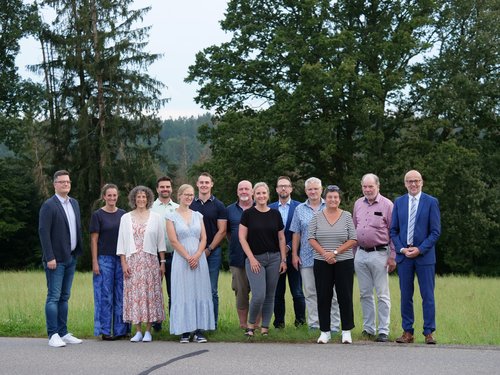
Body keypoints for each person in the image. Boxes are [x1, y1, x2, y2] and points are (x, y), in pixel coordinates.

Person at [390, 170, 441, 345]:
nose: (413, 184)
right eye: (410, 181)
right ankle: (407, 332)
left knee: (427, 295)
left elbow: (435, 232)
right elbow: (393, 230)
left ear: (422, 182)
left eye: (416, 181)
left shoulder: (431, 202)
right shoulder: (399, 202)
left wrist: (420, 249)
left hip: (424, 256)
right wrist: (401, 249)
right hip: (404, 257)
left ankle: (429, 332)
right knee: (406, 295)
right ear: (405, 183)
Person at [39, 169, 84, 347]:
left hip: (71, 257)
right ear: (55, 184)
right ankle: (53, 335)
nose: (66, 184)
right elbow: (43, 232)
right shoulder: (49, 205)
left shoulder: (74, 203)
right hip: (55, 260)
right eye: (62, 182)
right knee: (53, 297)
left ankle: (63, 332)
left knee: (65, 297)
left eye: (68, 182)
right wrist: (49, 256)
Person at [308, 185, 357, 344]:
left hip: (344, 261)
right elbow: (311, 238)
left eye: (336, 197)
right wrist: (325, 254)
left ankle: (346, 331)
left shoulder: (347, 216)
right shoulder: (316, 216)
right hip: (322, 262)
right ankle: (325, 331)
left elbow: (353, 239)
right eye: (330, 197)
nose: (333, 200)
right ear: (325, 199)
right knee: (323, 296)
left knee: (345, 296)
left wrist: (334, 253)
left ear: (339, 199)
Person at [290, 177, 341, 332]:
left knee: (331, 293)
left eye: (316, 189)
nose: (313, 192)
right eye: (310, 189)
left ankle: (334, 325)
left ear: (321, 190)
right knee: (311, 292)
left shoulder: (330, 205)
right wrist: (294, 254)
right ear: (306, 191)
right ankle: (314, 324)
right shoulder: (299, 209)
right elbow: (296, 233)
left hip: (328, 256)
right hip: (306, 257)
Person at [116, 186, 166, 343]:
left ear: (148, 199)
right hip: (132, 261)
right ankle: (137, 331)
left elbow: (161, 242)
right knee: (135, 296)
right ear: (134, 199)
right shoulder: (125, 218)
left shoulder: (156, 217)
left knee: (149, 296)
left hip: (150, 261)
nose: (141, 199)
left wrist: (162, 262)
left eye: (144, 197)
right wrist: (123, 263)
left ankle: (148, 331)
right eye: (138, 197)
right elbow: (121, 243)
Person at [167, 184, 215, 343]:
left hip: (198, 258)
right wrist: (188, 257)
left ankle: (199, 330)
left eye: (191, 195)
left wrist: (198, 255)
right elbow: (173, 241)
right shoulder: (171, 216)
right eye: (186, 194)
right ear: (179, 195)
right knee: (183, 292)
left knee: (199, 291)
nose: (188, 197)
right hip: (182, 260)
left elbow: (204, 238)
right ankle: (185, 331)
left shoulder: (198, 215)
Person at [239, 182, 287, 337]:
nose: (261, 196)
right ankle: (251, 325)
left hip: (274, 258)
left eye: (264, 193)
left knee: (270, 295)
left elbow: (281, 238)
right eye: (258, 193)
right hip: (255, 259)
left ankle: (265, 327)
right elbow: (242, 238)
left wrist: (283, 260)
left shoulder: (275, 214)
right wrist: (251, 259)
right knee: (258, 295)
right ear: (254, 195)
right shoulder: (248, 214)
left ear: (268, 195)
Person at [353, 174, 396, 342]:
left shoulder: (387, 205)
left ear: (378, 186)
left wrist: (392, 256)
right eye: (365, 186)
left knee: (382, 294)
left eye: (370, 186)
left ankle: (383, 330)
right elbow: (354, 228)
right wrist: (355, 253)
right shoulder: (358, 203)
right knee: (364, 294)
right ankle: (368, 328)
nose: (367, 190)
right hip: (361, 254)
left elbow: (394, 231)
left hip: (380, 253)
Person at [90, 183, 129, 340]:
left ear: (117, 196)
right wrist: (94, 261)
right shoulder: (98, 215)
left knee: (121, 294)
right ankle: (105, 331)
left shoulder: (124, 215)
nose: (112, 198)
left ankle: (121, 330)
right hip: (104, 258)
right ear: (104, 197)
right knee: (105, 295)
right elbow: (93, 240)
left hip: (121, 258)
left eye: (114, 195)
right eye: (109, 195)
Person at [190, 172, 227, 328]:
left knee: (211, 290)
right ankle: (194, 324)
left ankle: (212, 324)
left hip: (212, 253)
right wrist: (197, 251)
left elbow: (222, 231)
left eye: (207, 182)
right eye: (201, 182)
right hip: (192, 252)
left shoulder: (219, 205)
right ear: (197, 184)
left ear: (212, 184)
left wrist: (209, 248)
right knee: (193, 290)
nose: (204, 185)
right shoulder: (190, 204)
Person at [269, 176, 306, 328]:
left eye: (286, 186)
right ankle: (279, 324)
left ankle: (300, 323)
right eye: (280, 186)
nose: (283, 189)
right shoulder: (270, 208)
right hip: (276, 256)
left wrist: (289, 246)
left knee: (297, 291)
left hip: (295, 255)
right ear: (276, 189)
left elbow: (302, 230)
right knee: (278, 293)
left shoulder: (300, 207)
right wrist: (279, 249)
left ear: (291, 188)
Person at [151, 176, 179, 332]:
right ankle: (156, 325)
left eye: (167, 186)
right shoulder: (150, 208)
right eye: (162, 187)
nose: (165, 189)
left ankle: (175, 324)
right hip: (154, 256)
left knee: (173, 291)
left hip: (174, 255)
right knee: (155, 290)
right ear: (157, 189)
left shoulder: (177, 208)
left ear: (171, 189)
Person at [226, 180, 254, 329]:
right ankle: (243, 326)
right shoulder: (229, 210)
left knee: (259, 292)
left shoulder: (260, 207)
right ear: (237, 192)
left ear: (252, 192)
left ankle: (255, 325)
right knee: (241, 292)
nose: (244, 191)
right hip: (237, 257)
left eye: (247, 189)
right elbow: (228, 232)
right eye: (241, 189)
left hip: (258, 258)